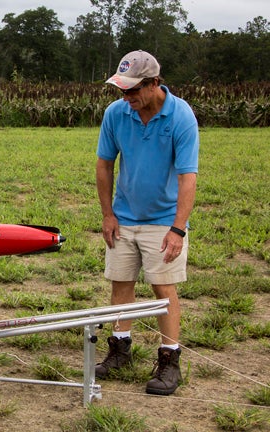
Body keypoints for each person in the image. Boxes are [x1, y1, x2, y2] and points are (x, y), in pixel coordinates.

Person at [95, 50, 199, 396]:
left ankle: (169, 360)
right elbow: (104, 165)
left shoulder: (180, 116)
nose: (126, 97)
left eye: (133, 90)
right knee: (120, 282)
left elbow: (187, 177)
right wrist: (108, 214)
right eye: (122, 90)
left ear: (154, 83)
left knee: (162, 288)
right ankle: (119, 350)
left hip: (163, 220)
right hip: (123, 217)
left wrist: (177, 228)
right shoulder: (116, 114)